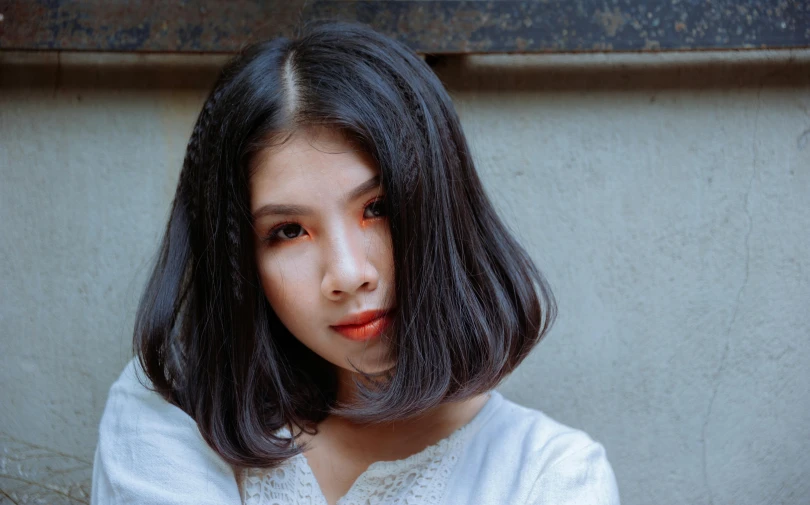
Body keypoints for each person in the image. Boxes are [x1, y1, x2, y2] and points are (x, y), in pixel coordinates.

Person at [91, 22, 620, 505]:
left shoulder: (549, 476)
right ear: (240, 261)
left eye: (378, 208)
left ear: (442, 205)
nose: (347, 275)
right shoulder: (172, 407)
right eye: (288, 231)